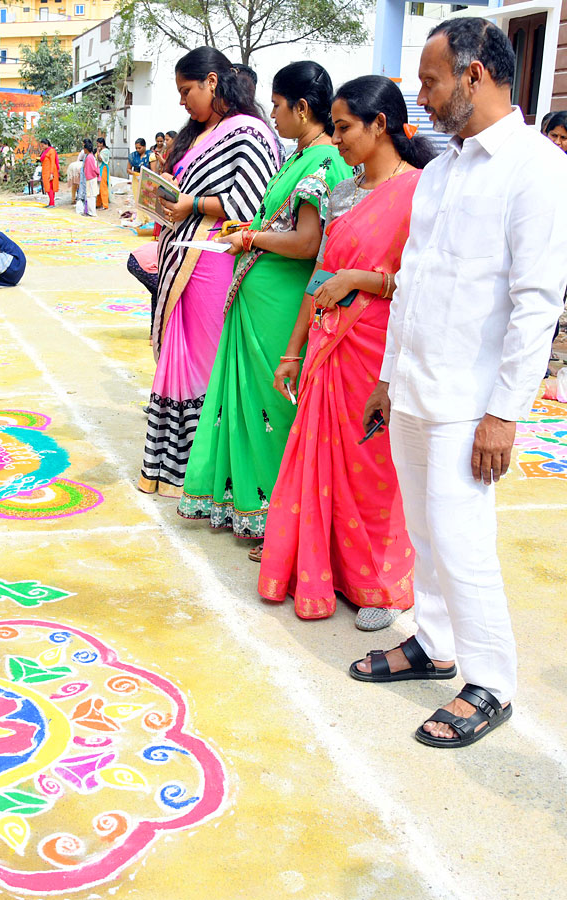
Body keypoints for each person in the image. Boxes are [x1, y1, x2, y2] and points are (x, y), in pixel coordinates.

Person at [352, 19, 567, 748]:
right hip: (414, 383)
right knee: (423, 531)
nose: (422, 94)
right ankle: (434, 644)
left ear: (473, 76)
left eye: (432, 79)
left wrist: (505, 413)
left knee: (462, 539)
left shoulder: (537, 168)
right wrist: (387, 376)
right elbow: (413, 281)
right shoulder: (443, 168)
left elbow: (537, 302)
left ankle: (491, 682)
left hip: (470, 399)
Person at [257, 75, 435, 632]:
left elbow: (425, 283)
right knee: (320, 457)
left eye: (343, 128)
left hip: (378, 345)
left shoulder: (421, 192)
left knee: (371, 464)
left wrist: (365, 279)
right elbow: (320, 273)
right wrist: (292, 351)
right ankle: (326, 565)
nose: (335, 140)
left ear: (380, 124)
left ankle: (378, 582)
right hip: (327, 342)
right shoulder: (342, 191)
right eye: (332, 128)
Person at [180, 62, 352, 557]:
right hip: (259, 299)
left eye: (277, 106)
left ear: (301, 108)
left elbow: (308, 242)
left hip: (282, 308)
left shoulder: (324, 162)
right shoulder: (298, 155)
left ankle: (281, 516)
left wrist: (252, 237)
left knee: (276, 410)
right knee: (252, 406)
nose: (272, 115)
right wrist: (250, 236)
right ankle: (252, 509)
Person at [138, 46, 280, 497]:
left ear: (212, 83)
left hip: (213, 258)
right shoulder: (196, 133)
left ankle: (212, 471)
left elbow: (257, 199)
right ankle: (173, 469)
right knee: (177, 362)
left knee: (204, 363)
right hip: (180, 254)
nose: (182, 102)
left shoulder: (249, 133)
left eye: (186, 91)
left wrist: (192, 205)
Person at [80, 139, 100, 216]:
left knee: (91, 196)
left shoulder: (89, 157)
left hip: (91, 178)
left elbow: (93, 168)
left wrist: (96, 174)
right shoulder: (90, 156)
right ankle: (90, 211)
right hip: (90, 178)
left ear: (86, 149)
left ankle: (92, 212)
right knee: (90, 195)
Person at [39, 138, 60, 208]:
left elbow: (52, 162)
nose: (41, 147)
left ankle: (52, 203)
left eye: (42, 145)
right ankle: (51, 202)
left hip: (50, 171)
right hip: (45, 171)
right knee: (48, 187)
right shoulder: (45, 151)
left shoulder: (51, 151)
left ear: (46, 144)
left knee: (50, 187)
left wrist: (51, 173)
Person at [96, 137, 111, 209]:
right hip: (99, 169)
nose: (97, 145)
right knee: (98, 186)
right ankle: (98, 203)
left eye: (98, 144)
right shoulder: (102, 150)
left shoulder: (105, 151)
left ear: (102, 143)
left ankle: (105, 204)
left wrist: (98, 152)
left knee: (103, 186)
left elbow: (100, 159)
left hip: (103, 168)